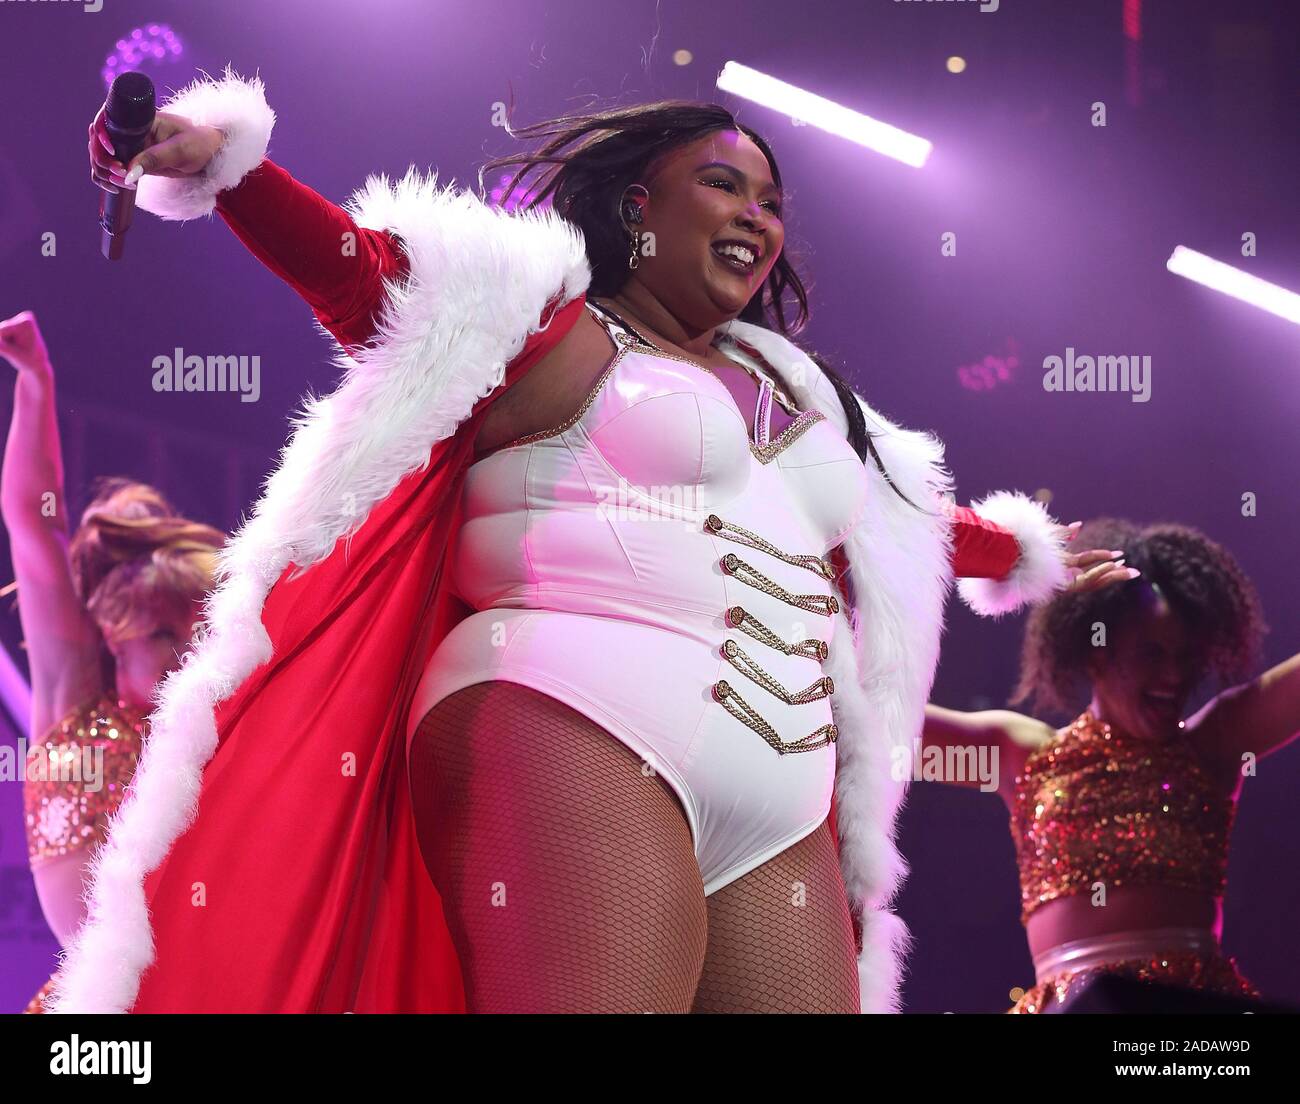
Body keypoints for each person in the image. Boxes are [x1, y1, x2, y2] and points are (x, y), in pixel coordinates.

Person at [56, 66, 1118, 1013]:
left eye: (771, 201)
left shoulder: (807, 402)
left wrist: (1026, 552)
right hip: (573, 719)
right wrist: (232, 173)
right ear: (635, 205)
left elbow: (908, 526)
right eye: (723, 184)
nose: (757, 213)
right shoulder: (546, 326)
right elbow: (363, 274)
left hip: (779, 790)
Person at [922, 517, 1297, 1012]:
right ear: (1094, 654)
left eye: (1186, 656)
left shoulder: (1216, 744)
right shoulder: (1023, 754)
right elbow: (867, 721)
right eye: (1150, 653)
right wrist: (999, 558)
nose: (1173, 673)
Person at [0, 310, 225, 1013]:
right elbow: (36, 527)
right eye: (164, 637)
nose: (189, 654)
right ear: (112, 635)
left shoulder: (216, 742)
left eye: (199, 635)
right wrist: (37, 382)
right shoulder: (73, 701)